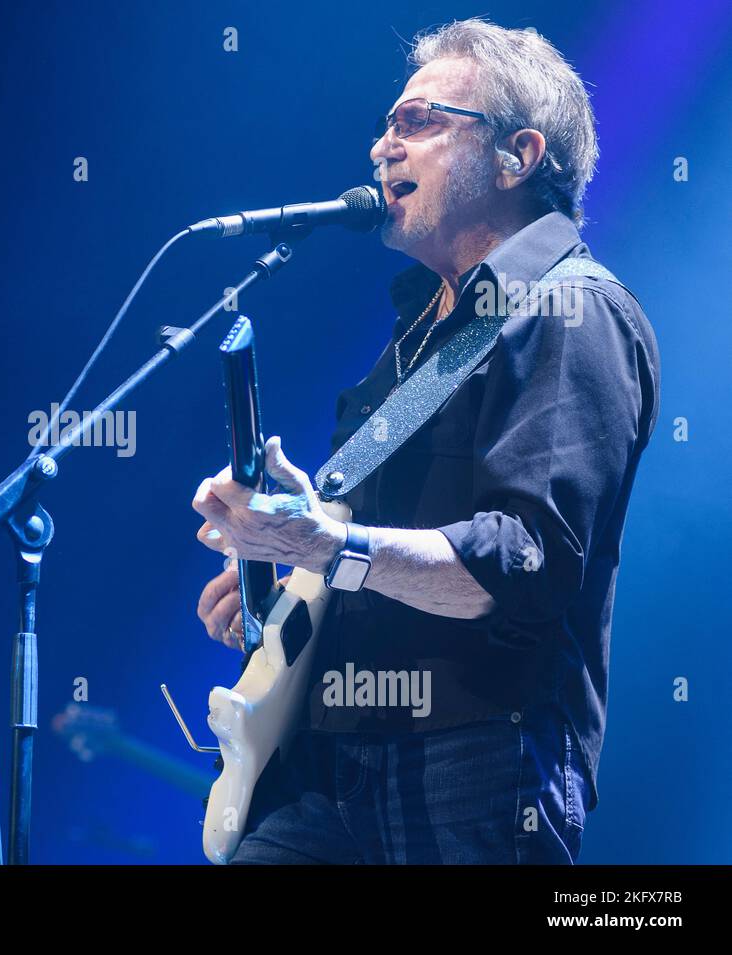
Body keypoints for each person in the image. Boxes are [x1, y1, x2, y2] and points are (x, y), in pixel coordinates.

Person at [192, 19, 659, 864]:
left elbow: (525, 561)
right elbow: (351, 554)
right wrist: (279, 556)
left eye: (418, 123)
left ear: (516, 156)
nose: (382, 147)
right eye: (385, 125)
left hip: (476, 760)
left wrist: (329, 542)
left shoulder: (573, 308)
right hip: (327, 764)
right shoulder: (416, 340)